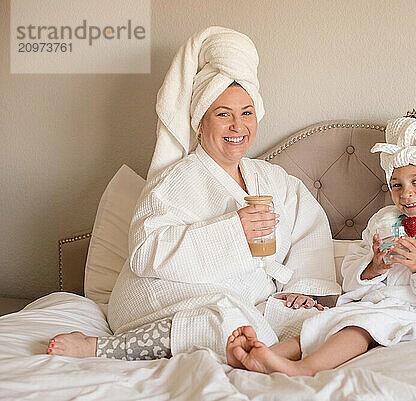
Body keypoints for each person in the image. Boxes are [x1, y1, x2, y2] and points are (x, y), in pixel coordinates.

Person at [46, 27, 340, 361]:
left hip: (249, 300)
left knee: (325, 324)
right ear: (200, 122)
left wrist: (301, 289)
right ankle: (101, 348)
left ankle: (258, 351)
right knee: (225, 320)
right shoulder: (173, 181)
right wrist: (234, 230)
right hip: (162, 292)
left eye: (246, 112)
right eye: (222, 114)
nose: (237, 126)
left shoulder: (274, 179)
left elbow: (310, 232)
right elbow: (145, 254)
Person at [226, 110, 416, 376]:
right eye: (396, 185)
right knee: (324, 323)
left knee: (358, 327)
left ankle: (303, 368)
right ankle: (262, 356)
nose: (406, 193)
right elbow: (349, 281)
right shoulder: (383, 222)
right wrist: (372, 268)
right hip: (374, 307)